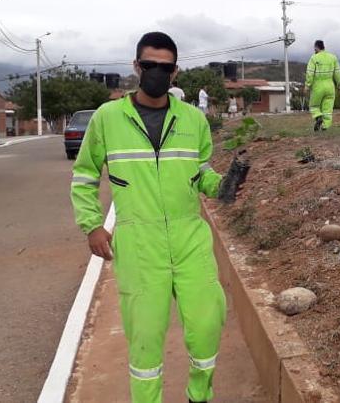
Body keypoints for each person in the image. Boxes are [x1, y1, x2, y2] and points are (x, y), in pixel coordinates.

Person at [70, 32, 232, 403]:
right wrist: (92, 224)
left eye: (165, 67)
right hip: (139, 244)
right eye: (149, 65)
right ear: (136, 66)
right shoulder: (108, 119)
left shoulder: (193, 120)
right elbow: (84, 175)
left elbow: (202, 171)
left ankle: (198, 395)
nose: (157, 72)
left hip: (190, 237)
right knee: (145, 340)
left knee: (208, 324)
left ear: (175, 72)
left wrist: (221, 185)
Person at [305, 39, 340, 131]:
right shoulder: (333, 57)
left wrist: (307, 85)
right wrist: (339, 84)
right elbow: (338, 72)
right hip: (330, 86)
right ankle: (325, 126)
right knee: (328, 108)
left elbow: (310, 73)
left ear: (316, 47)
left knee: (314, 106)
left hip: (318, 86)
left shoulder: (314, 58)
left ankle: (318, 117)